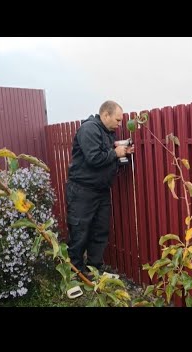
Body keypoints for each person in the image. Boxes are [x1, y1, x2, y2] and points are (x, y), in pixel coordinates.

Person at [66, 100, 134, 277]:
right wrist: (115, 153)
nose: (120, 124)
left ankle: (93, 270)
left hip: (101, 191)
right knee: (80, 231)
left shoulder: (107, 132)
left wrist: (122, 153)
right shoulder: (89, 129)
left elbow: (106, 157)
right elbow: (94, 158)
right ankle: (74, 273)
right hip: (82, 190)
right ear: (105, 115)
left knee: (100, 230)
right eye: (118, 120)